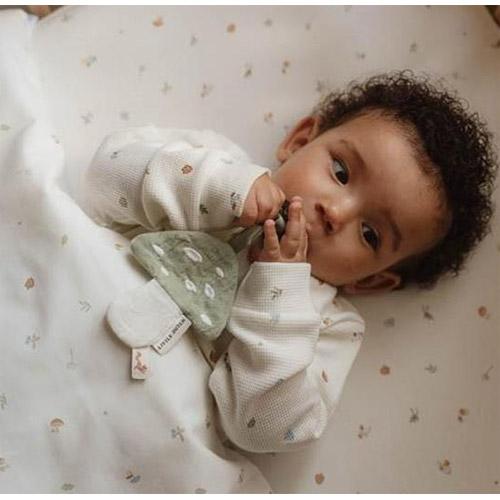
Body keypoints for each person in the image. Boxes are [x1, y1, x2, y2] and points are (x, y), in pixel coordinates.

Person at [83, 71, 497, 453]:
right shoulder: (217, 163)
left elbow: (263, 430)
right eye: (340, 172)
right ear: (299, 142)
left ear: (370, 281)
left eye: (370, 234)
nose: (335, 212)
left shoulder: (329, 326)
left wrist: (278, 288)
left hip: (142, 444)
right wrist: (216, 190)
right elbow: (104, 175)